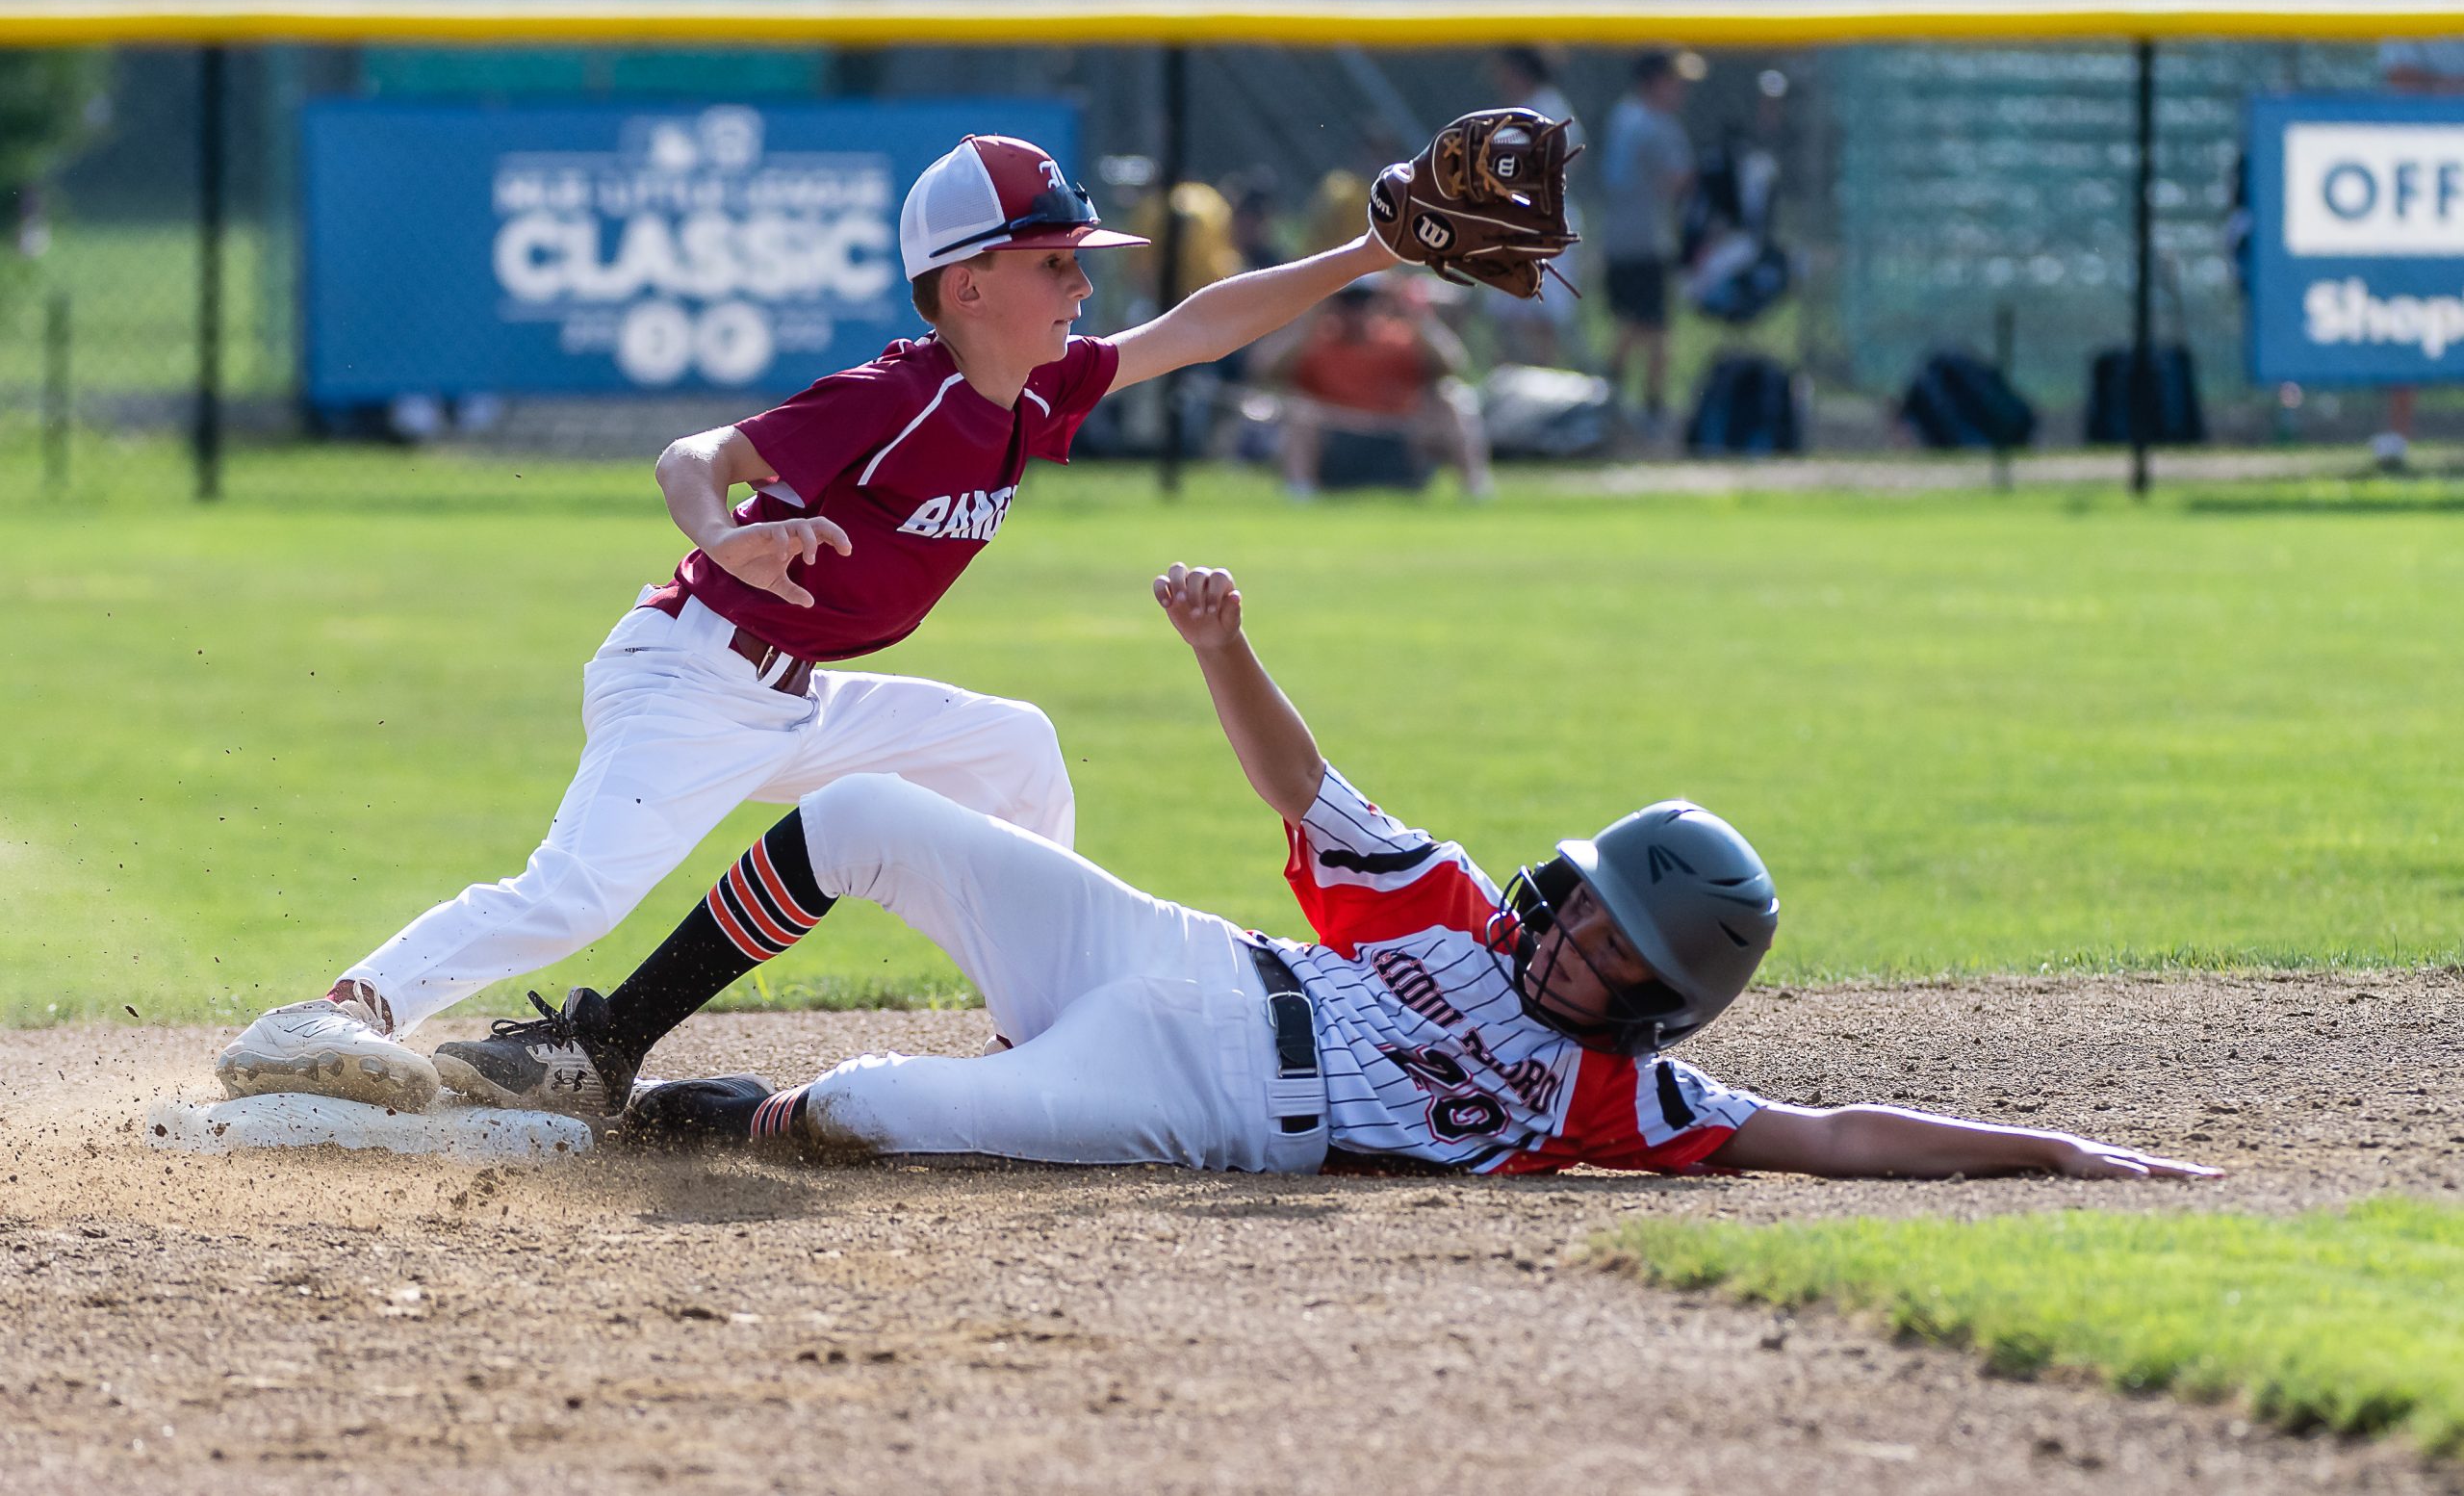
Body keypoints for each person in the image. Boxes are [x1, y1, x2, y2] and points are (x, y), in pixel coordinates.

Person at [215, 132, 1405, 1116]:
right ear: (968, 284)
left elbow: (1194, 330)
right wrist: (722, 532)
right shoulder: (893, 396)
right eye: (1054, 262)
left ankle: (1040, 1040)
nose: (1082, 286)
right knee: (572, 893)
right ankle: (336, 1012)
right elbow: (698, 453)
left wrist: (1365, 248)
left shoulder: (1029, 394)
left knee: (1015, 749)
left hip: (799, 697)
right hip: (691, 679)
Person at [437, 564, 2220, 1188]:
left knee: (871, 1116)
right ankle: (603, 1042)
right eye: (1586, 894)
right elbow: (1308, 786)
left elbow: (1831, 1134)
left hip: (1200, 1091)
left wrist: (2061, 1151)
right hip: (1182, 956)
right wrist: (1226, 647)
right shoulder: (1449, 912)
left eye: (1613, 940)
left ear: (1663, 999)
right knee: (860, 817)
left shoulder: (1626, 1098)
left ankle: (672, 1125)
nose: (1571, 929)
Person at [2371, 0, 2464, 470]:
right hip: (2422, 189)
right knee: (2407, 307)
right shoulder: (2409, 14)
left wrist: (2439, 88)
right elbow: (2401, 87)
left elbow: (2421, 85)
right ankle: (2395, 440)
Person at [1259, 277, 1492, 499]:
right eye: (1348, 301)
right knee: (1300, 411)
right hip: (1338, 444)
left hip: (1397, 442)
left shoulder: (1401, 339)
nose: (1356, 310)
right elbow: (1264, 370)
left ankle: (1475, 488)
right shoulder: (1316, 341)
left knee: (1452, 398)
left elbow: (1455, 365)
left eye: (1365, 300)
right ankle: (1299, 493)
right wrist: (1311, 315)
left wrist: (1414, 312)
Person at [1601, 49, 1698, 441]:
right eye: (1675, 82)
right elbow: (1676, 181)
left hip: (1618, 235)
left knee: (1630, 322)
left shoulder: (1622, 115)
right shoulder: (1659, 124)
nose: (1681, 92)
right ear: (1656, 81)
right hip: (1649, 238)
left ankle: (1607, 398)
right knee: (1655, 329)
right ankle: (1651, 408)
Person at [1479, 46, 1587, 369]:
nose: (1500, 79)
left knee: (1542, 321)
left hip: (1542, 222)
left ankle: (1541, 397)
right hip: (1513, 221)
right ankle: (1506, 393)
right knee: (1507, 319)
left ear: (1520, 70)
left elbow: (1569, 161)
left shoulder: (1547, 105)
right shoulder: (1518, 109)